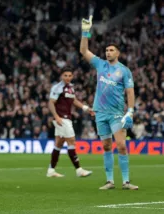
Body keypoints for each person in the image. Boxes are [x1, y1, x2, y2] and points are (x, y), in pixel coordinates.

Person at [80, 15, 138, 190]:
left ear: (118, 53)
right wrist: (85, 32)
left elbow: (130, 91)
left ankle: (126, 181)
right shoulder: (100, 64)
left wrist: (130, 111)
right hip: (100, 112)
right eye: (106, 50)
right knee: (106, 146)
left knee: (120, 145)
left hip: (116, 113)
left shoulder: (124, 71)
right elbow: (84, 51)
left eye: (111, 50)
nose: (108, 52)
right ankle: (110, 181)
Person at [47, 66, 93, 178]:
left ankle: (51, 170)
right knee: (71, 141)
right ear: (61, 76)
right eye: (65, 75)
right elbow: (51, 103)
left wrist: (86, 108)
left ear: (72, 76)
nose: (67, 77)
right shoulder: (57, 87)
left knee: (59, 143)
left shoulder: (71, 87)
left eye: (69, 75)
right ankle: (79, 169)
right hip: (61, 118)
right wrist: (56, 117)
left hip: (67, 117)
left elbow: (73, 100)